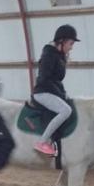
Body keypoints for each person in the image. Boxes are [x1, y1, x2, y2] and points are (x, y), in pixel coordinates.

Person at [32, 24, 79, 156]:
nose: (71, 47)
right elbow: (45, 79)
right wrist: (60, 94)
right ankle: (42, 142)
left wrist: (63, 93)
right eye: (70, 43)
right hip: (42, 92)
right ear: (61, 41)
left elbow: (57, 80)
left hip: (50, 91)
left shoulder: (59, 55)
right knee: (65, 110)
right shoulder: (49, 55)